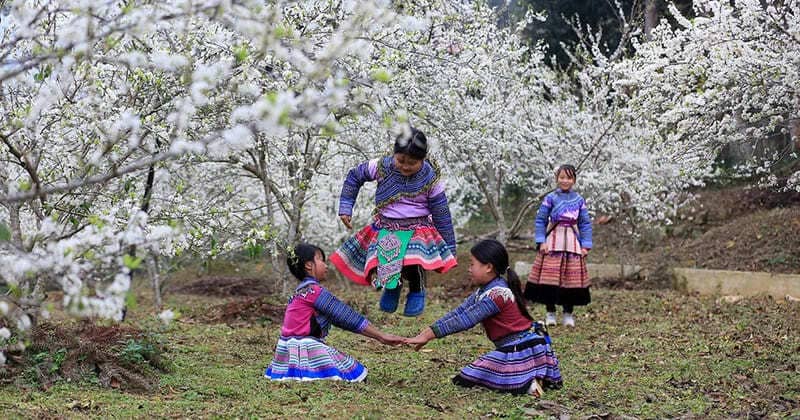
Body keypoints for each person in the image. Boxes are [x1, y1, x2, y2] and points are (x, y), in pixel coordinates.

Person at [405, 239, 563, 396]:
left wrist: (427, 335)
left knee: (469, 376)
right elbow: (458, 313)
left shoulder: (497, 294)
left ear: (488, 267)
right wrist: (426, 333)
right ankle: (528, 377)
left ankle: (528, 383)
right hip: (517, 347)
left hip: (523, 349)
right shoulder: (486, 291)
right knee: (472, 374)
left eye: (472, 264)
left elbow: (465, 320)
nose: (469, 269)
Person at [330, 125, 457, 317]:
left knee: (413, 261)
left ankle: (417, 291)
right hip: (387, 226)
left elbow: (441, 212)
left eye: (412, 163)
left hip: (418, 228)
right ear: (394, 154)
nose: (405, 166)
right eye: (401, 160)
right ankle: (391, 288)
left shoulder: (431, 178)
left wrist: (449, 248)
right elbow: (354, 177)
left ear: (423, 159)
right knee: (388, 259)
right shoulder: (381, 166)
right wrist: (346, 207)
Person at [265, 243, 403, 382]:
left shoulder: (298, 293)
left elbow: (338, 318)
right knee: (357, 374)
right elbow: (345, 316)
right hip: (306, 347)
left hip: (284, 354)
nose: (326, 266)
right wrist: (380, 336)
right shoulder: (314, 292)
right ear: (308, 265)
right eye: (320, 260)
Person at [525, 164, 592, 327]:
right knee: (550, 279)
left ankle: (568, 314)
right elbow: (541, 220)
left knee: (571, 280)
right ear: (557, 179)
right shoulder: (550, 198)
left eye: (568, 178)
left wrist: (586, 245)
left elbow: (585, 223)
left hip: (572, 242)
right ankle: (550, 313)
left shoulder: (579, 200)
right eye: (561, 177)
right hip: (552, 242)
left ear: (574, 180)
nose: (565, 181)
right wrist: (541, 241)